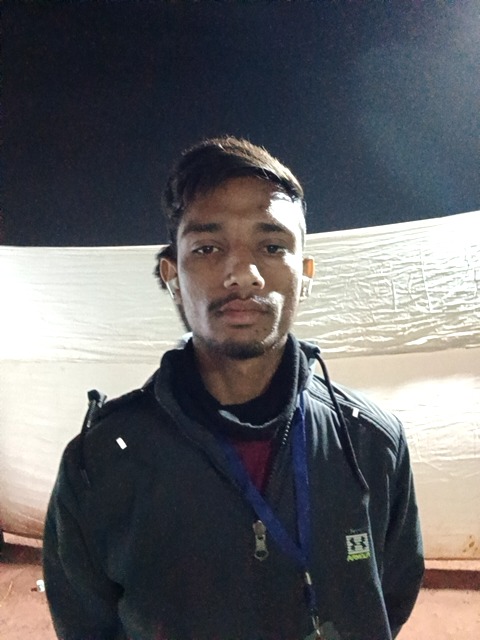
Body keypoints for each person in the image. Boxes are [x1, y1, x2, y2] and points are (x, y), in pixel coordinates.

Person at [43, 136, 424, 640]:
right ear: (171, 276)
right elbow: (86, 625)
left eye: (272, 247)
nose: (243, 275)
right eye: (208, 248)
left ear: (305, 273)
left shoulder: (372, 443)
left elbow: (389, 596)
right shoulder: (100, 463)